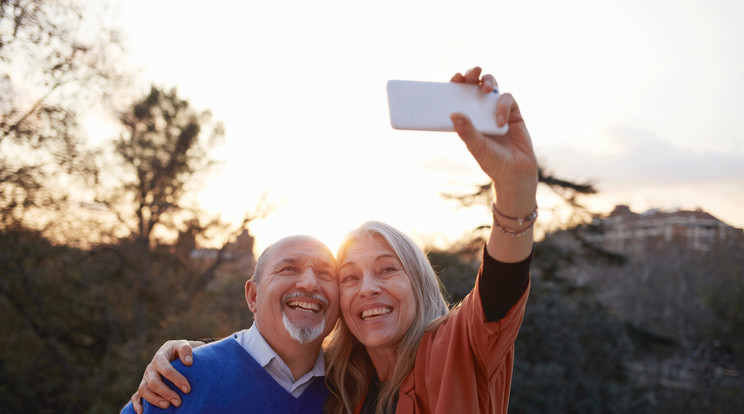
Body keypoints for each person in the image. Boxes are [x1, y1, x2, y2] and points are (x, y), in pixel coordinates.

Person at [130, 66, 537, 414]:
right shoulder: (341, 388)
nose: (368, 288)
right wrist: (194, 358)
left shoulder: (456, 350)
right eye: (349, 277)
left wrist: (515, 190)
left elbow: (500, 289)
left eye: (387, 269)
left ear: (418, 281)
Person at [120, 235, 340, 413]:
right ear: (253, 296)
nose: (310, 283)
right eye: (288, 269)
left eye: (325, 273)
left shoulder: (350, 387)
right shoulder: (177, 382)